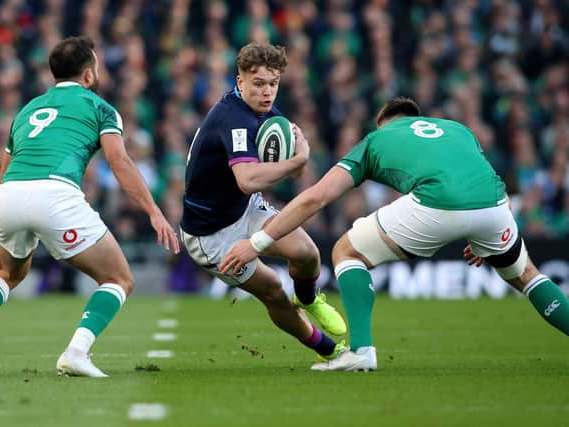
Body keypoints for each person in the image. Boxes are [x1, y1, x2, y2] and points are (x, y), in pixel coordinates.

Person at [221, 97, 569, 371]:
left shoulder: (377, 139)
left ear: (384, 122)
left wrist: (257, 243)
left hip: (437, 202)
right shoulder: (458, 129)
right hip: (495, 206)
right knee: (526, 275)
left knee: (347, 251)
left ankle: (360, 351)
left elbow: (317, 197)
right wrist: (483, 234)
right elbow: (487, 182)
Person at [0, 36, 180, 378]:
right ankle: (76, 352)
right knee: (118, 278)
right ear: (88, 74)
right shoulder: (100, 108)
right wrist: (155, 211)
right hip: (54, 192)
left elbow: (5, 170)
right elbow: (119, 161)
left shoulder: (28, 109)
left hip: (8, 192)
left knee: (8, 273)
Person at [180, 42, 347, 361]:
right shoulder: (233, 117)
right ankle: (329, 350)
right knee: (273, 291)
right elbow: (248, 180)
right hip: (210, 234)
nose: (267, 92)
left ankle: (309, 298)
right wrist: (297, 162)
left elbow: (283, 175)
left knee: (307, 253)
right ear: (240, 82)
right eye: (258, 84)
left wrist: (293, 163)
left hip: (243, 209)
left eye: (273, 84)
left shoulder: (269, 114)